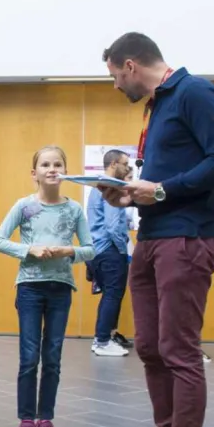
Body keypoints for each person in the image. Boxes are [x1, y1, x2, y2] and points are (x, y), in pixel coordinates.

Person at [99, 31, 214, 427]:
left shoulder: (194, 92)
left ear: (130, 65)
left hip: (187, 238)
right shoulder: (158, 105)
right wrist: (130, 197)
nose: (116, 86)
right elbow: (166, 181)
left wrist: (161, 190)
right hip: (154, 235)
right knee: (149, 347)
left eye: (114, 76)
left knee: (179, 350)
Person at [0, 146, 93, 427]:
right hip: (30, 288)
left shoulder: (74, 209)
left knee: (53, 357)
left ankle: (45, 420)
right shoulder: (23, 206)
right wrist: (28, 250)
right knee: (29, 356)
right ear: (33, 173)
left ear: (65, 171)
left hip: (61, 288)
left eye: (57, 164)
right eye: (45, 164)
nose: (51, 169)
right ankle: (26, 420)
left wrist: (68, 251)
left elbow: (90, 249)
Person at [87, 149, 133, 357]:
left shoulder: (97, 186)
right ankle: (103, 340)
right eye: (125, 164)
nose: (128, 168)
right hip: (110, 250)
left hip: (98, 250)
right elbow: (113, 226)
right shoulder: (112, 186)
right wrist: (124, 251)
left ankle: (105, 337)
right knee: (113, 295)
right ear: (113, 164)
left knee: (109, 295)